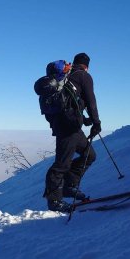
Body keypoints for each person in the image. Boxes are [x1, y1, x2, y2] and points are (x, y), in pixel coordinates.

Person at [43, 52, 101, 212]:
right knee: (62, 164)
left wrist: (85, 120)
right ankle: (54, 201)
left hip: (70, 126)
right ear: (87, 66)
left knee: (89, 155)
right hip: (67, 128)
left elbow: (71, 103)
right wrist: (96, 122)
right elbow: (91, 100)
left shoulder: (69, 78)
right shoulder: (83, 76)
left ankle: (69, 186)